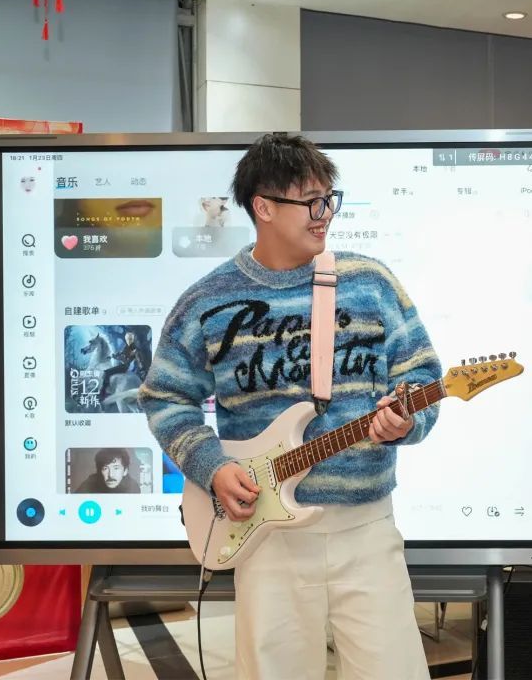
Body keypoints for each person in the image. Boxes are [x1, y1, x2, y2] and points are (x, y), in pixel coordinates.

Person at [138, 134, 441, 680]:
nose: (325, 215)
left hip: (367, 527)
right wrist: (212, 466)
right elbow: (165, 396)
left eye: (329, 199)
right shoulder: (208, 300)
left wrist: (406, 419)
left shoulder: (370, 283)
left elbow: (420, 375)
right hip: (267, 538)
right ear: (264, 207)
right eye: (310, 202)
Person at [75, 448, 140, 493]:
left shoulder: (133, 487)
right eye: (105, 468)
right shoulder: (91, 482)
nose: (110, 475)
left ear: (125, 471)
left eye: (116, 468)